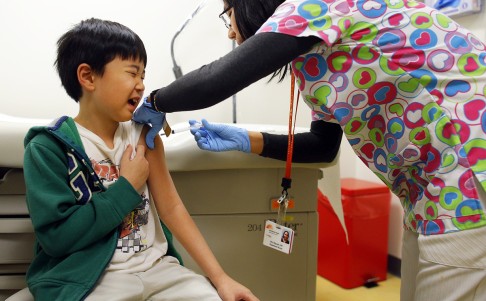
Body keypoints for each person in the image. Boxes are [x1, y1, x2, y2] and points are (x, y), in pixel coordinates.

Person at [132, 1, 486, 300]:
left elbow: (217, 79)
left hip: (468, 174)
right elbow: (323, 145)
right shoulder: (319, 56)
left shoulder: (317, 6)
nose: (229, 31)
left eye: (229, 16)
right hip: (430, 190)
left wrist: (155, 100)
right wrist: (245, 140)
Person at [21, 18, 258, 301]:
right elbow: (58, 239)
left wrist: (221, 279)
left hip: (160, 272)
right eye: (132, 73)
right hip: (93, 280)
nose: (141, 85)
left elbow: (172, 209)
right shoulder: (47, 148)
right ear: (87, 76)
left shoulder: (144, 136)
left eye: (143, 76)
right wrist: (126, 186)